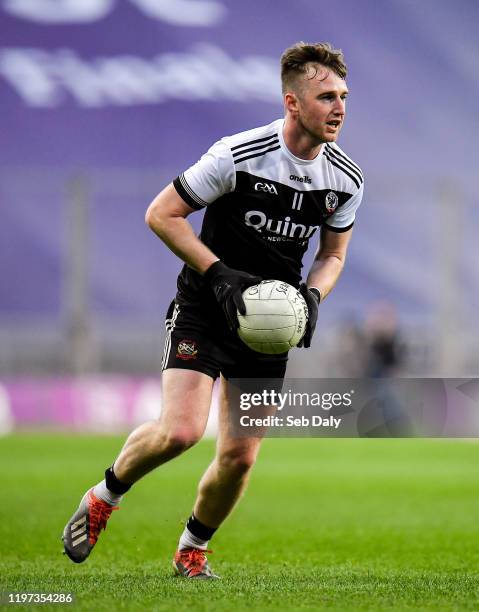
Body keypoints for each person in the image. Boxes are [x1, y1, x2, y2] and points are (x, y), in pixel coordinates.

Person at [62, 41, 364, 579]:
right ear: (292, 102)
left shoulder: (345, 179)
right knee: (179, 432)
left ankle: (192, 550)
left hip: (269, 326)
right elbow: (163, 214)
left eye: (343, 96)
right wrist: (219, 274)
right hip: (205, 306)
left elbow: (333, 254)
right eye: (325, 97)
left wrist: (313, 297)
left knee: (239, 458)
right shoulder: (238, 153)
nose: (339, 107)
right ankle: (106, 495)